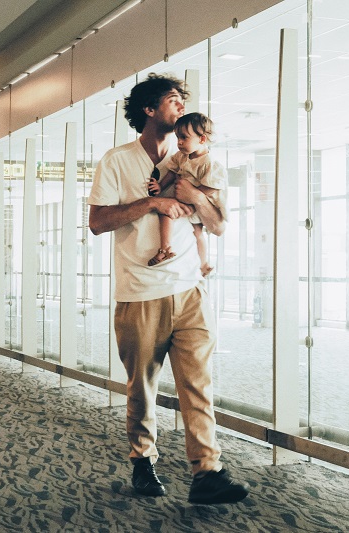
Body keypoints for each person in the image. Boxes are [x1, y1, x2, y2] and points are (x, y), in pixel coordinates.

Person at [87, 73, 249, 505]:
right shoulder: (117, 161)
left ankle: (207, 472)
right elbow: (98, 222)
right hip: (140, 291)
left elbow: (217, 225)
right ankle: (143, 460)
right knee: (142, 385)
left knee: (198, 383)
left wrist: (194, 195)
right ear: (149, 109)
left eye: (182, 102)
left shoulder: (202, 163)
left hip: (190, 288)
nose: (181, 108)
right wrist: (154, 202)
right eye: (173, 101)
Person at [147, 112, 228, 277]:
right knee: (166, 213)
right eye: (177, 138)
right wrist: (160, 185)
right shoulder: (182, 157)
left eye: (184, 138)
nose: (179, 142)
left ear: (202, 139)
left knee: (198, 233)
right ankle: (165, 248)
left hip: (197, 205)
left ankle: (204, 264)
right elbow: (171, 172)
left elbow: (213, 187)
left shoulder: (209, 163)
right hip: (184, 201)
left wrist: (193, 199)